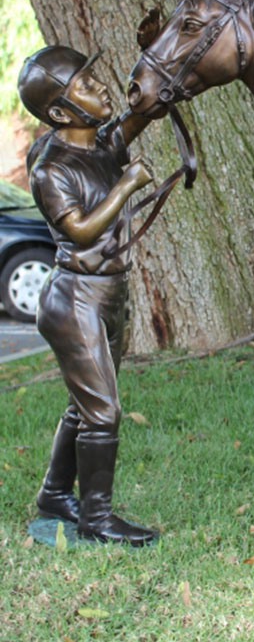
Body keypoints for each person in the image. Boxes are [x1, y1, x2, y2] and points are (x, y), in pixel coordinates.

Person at [18, 45, 164, 546]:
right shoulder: (51, 168)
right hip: (74, 298)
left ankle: (56, 494)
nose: (99, 87)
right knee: (103, 411)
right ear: (60, 112)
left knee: (85, 407)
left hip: (107, 295)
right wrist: (125, 186)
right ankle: (97, 518)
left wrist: (151, 51)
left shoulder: (101, 145)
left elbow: (144, 109)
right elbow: (79, 230)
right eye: (84, 84)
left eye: (93, 76)